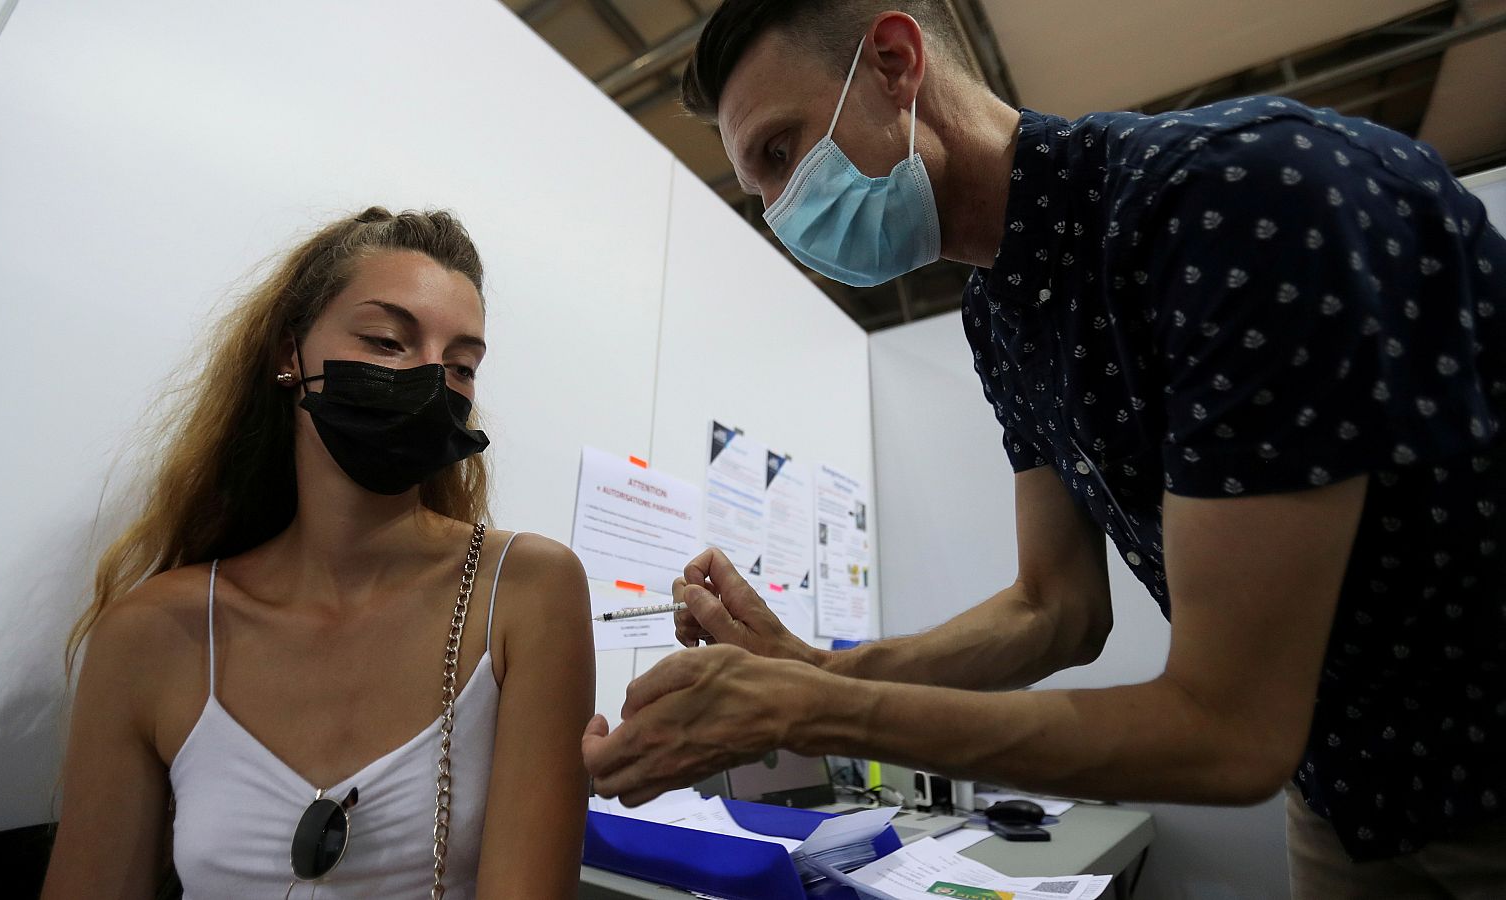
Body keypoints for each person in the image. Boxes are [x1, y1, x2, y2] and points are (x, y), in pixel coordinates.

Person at [580, 2, 1506, 895]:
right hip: (1344, 796)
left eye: (783, 153)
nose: (785, 212)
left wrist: (800, 711)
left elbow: (1230, 729)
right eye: (762, 189)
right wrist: (817, 670)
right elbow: (1055, 609)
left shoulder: (1236, 200)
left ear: (897, 65)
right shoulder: (1002, 311)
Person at [44, 207, 593, 898]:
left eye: (461, 366)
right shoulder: (154, 633)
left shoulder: (526, 592)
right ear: (287, 354)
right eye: (387, 341)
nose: (429, 382)